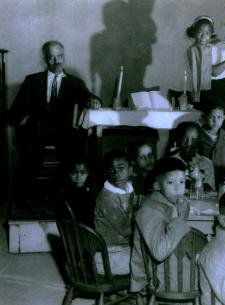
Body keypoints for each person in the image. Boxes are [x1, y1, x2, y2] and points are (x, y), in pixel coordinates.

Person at [8, 40, 100, 204]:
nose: (57, 61)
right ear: (44, 59)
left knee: (77, 149)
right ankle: (26, 200)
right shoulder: (32, 81)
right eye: (52, 57)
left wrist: (93, 100)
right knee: (29, 153)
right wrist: (27, 120)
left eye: (60, 56)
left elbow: (88, 97)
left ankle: (67, 197)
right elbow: (15, 112)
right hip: (36, 132)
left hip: (64, 133)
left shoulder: (74, 83)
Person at [130, 157, 191, 294]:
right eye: (171, 182)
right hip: (154, 275)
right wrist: (181, 219)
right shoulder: (149, 210)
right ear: (157, 185)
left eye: (182, 182)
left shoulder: (166, 202)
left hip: (167, 265)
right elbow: (159, 253)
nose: (178, 188)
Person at [94, 150, 137, 275]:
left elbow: (135, 203)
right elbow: (125, 229)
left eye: (121, 169)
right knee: (149, 260)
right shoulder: (107, 197)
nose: (116, 174)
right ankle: (140, 289)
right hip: (109, 254)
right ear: (106, 172)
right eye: (111, 170)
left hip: (122, 247)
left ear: (130, 169)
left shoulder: (128, 188)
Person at [186, 15, 225, 104]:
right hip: (211, 89)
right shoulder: (195, 50)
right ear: (194, 33)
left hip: (222, 86)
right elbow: (215, 72)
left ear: (211, 34)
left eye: (207, 33)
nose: (203, 37)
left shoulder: (214, 46)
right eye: (200, 32)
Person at [198, 98, 225, 188]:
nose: (215, 121)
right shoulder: (197, 136)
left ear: (224, 117)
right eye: (211, 117)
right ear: (204, 117)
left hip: (223, 182)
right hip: (204, 182)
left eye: (219, 117)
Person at [52, 157, 97, 228]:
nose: (78, 177)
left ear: (88, 174)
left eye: (82, 173)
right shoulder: (65, 194)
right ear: (67, 174)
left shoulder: (91, 194)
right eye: (73, 173)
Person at [171, 122, 216, 191]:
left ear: (198, 141)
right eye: (185, 138)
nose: (189, 143)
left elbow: (210, 190)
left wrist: (198, 179)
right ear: (178, 139)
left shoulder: (207, 163)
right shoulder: (168, 163)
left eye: (193, 139)